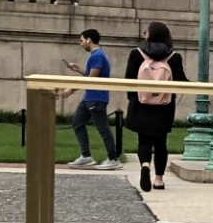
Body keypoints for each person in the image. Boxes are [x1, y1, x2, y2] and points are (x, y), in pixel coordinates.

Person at [123, 21, 187, 193]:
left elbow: (128, 79)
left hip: (141, 104)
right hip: (164, 106)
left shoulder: (136, 54)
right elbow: (181, 82)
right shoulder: (174, 57)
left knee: (143, 140)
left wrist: (133, 99)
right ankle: (158, 179)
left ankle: (145, 165)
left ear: (149, 34)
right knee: (161, 142)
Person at [64, 29, 122, 169]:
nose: (81, 43)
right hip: (89, 97)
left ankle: (113, 159)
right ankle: (86, 156)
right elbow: (92, 76)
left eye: (81, 40)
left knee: (103, 129)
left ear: (89, 40)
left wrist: (71, 89)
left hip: (96, 97)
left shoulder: (97, 55)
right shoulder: (96, 55)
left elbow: (91, 79)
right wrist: (78, 70)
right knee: (77, 122)